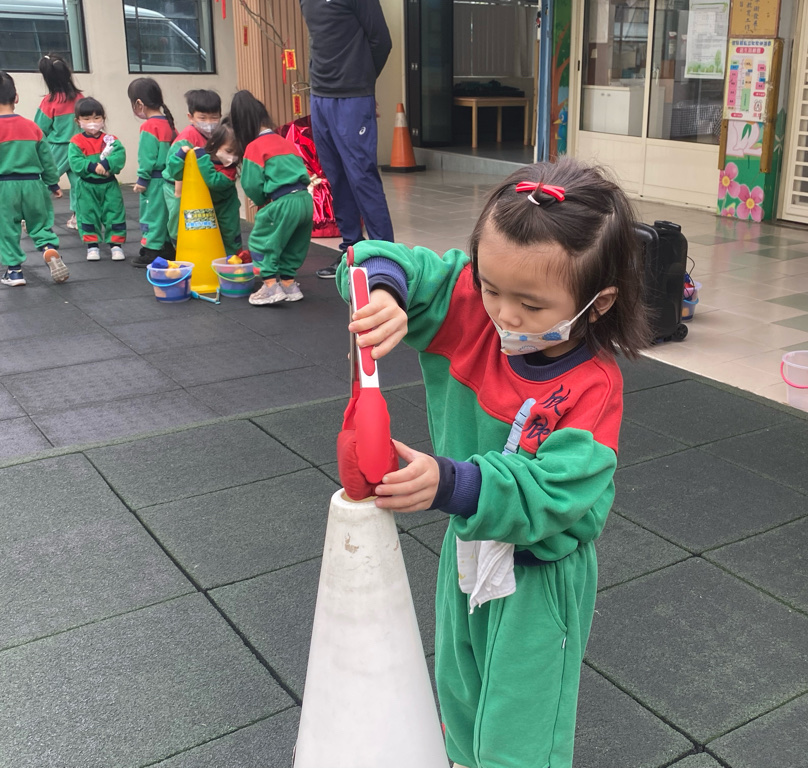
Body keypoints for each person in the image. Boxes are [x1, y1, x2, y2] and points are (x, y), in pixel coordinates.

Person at [340, 159, 651, 768]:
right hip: (468, 545)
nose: (504, 315)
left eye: (531, 305)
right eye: (490, 286)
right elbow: (375, 259)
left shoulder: (592, 390)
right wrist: (384, 294)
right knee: (459, 694)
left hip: (538, 575)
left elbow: (552, 494)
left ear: (597, 303)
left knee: (520, 729)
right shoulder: (472, 313)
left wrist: (451, 483)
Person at [299, 0, 395, 279]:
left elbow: (382, 41)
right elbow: (319, 41)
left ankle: (385, 257)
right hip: (320, 96)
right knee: (336, 177)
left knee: (362, 176)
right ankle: (350, 251)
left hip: (352, 97)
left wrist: (362, 83)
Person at [231, 90, 313, 306]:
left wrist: (261, 200)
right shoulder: (285, 142)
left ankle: (270, 286)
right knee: (294, 242)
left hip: (283, 202)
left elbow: (251, 183)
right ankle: (289, 284)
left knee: (262, 241)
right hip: (305, 199)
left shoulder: (255, 147)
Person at [0, 71, 68, 286]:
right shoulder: (32, 127)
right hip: (33, 184)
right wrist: (53, 183)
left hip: (4, 186)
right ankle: (48, 248)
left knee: (6, 228)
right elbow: (47, 159)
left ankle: (14, 272)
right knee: (39, 223)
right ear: (16, 97)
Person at [68, 97, 127, 261]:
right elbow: (75, 162)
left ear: (103, 119)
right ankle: (92, 246)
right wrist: (94, 167)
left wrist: (107, 164)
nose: (92, 122)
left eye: (96, 118)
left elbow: (119, 156)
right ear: (78, 121)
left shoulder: (111, 140)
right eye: (86, 119)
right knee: (88, 215)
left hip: (109, 185)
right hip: (87, 187)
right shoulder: (76, 142)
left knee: (114, 213)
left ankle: (116, 245)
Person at [127, 77, 176, 267]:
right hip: (169, 179)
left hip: (154, 180)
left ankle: (152, 250)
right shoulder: (169, 124)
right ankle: (166, 247)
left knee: (151, 214)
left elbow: (146, 156)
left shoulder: (149, 126)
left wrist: (142, 179)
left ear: (139, 103)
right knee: (166, 214)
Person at [162, 89, 221, 247]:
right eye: (202, 118)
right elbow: (175, 170)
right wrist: (179, 194)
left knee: (200, 220)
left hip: (200, 184)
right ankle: (178, 246)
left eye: (214, 117)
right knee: (180, 219)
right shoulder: (187, 138)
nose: (209, 122)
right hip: (178, 185)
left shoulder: (217, 135)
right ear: (190, 117)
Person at [34, 54, 83, 229]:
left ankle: (33, 217)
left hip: (58, 148)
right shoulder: (79, 98)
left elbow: (39, 130)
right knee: (79, 184)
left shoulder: (49, 102)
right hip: (79, 147)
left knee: (44, 181)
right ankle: (79, 218)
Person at [190, 117, 243, 257]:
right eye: (229, 150)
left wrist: (202, 159)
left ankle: (234, 260)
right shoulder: (207, 158)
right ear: (215, 143)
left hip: (227, 209)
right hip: (207, 207)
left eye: (237, 153)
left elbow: (214, 182)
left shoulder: (229, 170)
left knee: (230, 237)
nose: (232, 157)